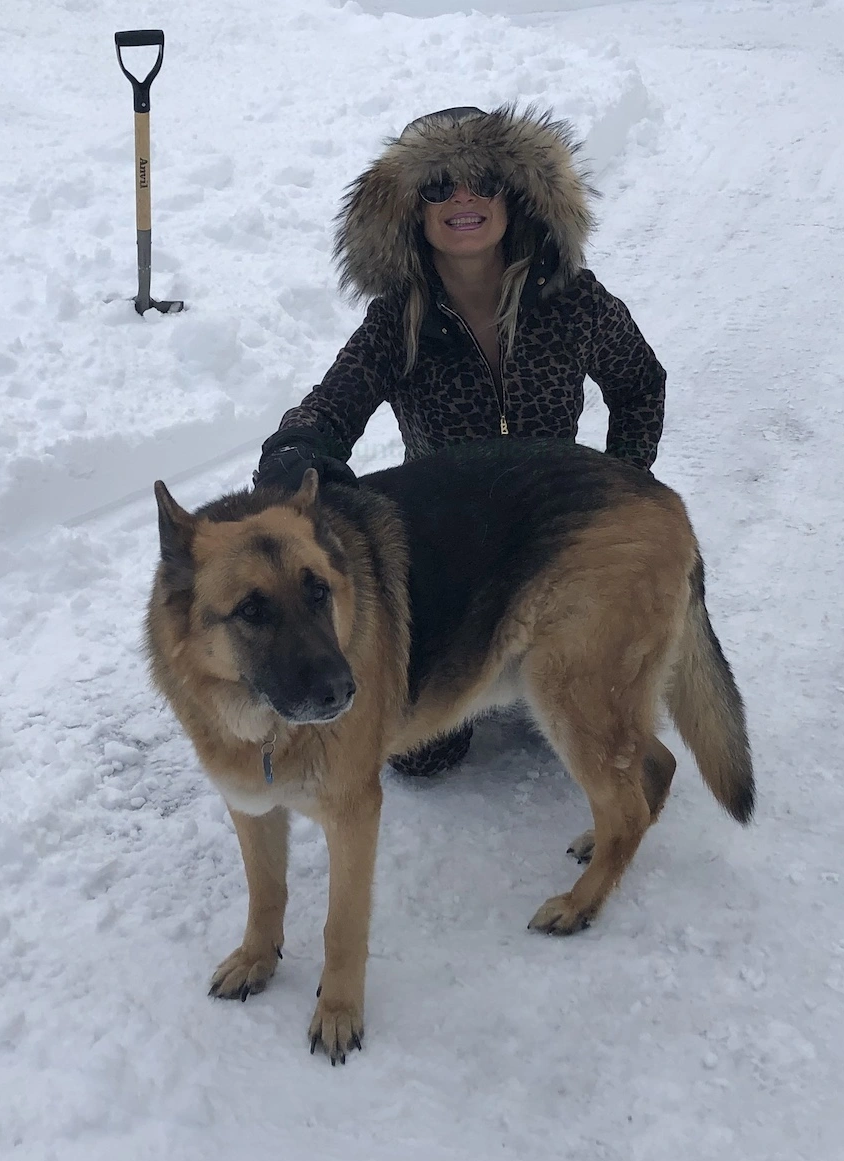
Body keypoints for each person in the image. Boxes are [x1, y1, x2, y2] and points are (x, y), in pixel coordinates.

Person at [254, 105, 667, 776]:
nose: (462, 199)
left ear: (517, 199)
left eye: (482, 180)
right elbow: (331, 407)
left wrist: (621, 488)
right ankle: (491, 676)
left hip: (550, 538)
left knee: (586, 720)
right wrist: (296, 451)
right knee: (419, 755)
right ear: (413, 213)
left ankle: (539, 666)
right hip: (448, 552)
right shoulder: (398, 322)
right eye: (439, 185)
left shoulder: (573, 300)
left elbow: (641, 383)